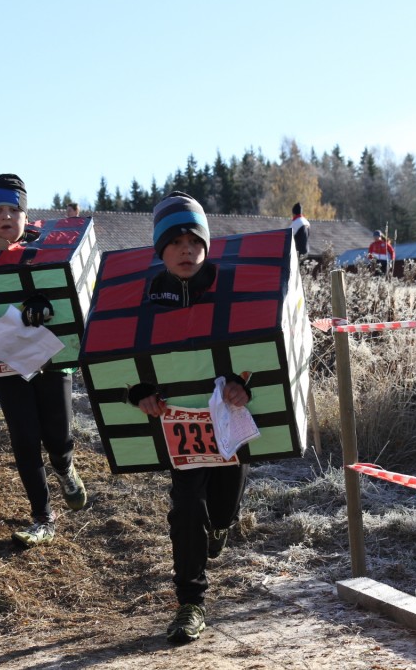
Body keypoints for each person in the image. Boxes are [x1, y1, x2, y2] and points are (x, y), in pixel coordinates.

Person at [127, 191, 253, 644]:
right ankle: (190, 603)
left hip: (230, 426)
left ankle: (221, 525)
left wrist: (245, 385)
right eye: (176, 242)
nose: (187, 250)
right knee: (185, 510)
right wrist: (139, 393)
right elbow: (125, 356)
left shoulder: (227, 287)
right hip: (180, 429)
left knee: (221, 507)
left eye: (195, 242)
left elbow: (257, 347)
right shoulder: (145, 295)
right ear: (160, 250)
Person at [0, 173, 87, 547]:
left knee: (58, 436)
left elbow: (61, 290)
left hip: (51, 360)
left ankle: (64, 467)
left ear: (25, 214)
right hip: (7, 365)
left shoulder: (46, 250)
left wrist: (42, 301)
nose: (6, 216)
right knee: (25, 440)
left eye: (14, 209)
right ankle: (42, 517)